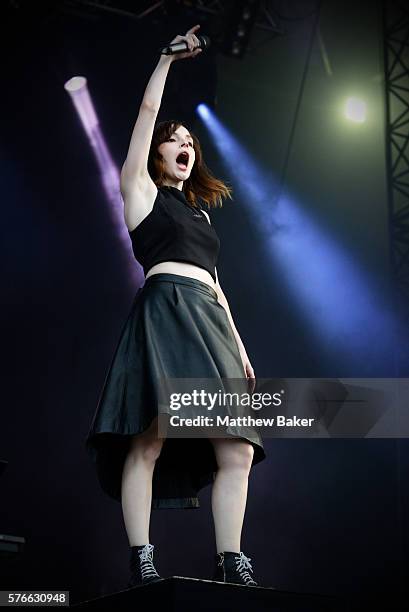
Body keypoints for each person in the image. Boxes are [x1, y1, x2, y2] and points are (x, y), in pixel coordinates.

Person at [85, 24, 266, 589]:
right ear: (158, 150)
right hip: (164, 310)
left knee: (236, 446)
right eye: (176, 138)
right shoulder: (138, 190)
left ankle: (230, 561)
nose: (186, 145)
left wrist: (239, 348)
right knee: (151, 434)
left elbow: (217, 283)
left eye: (192, 140)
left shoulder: (202, 215)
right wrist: (166, 59)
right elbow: (146, 110)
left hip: (210, 317)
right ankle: (142, 555)